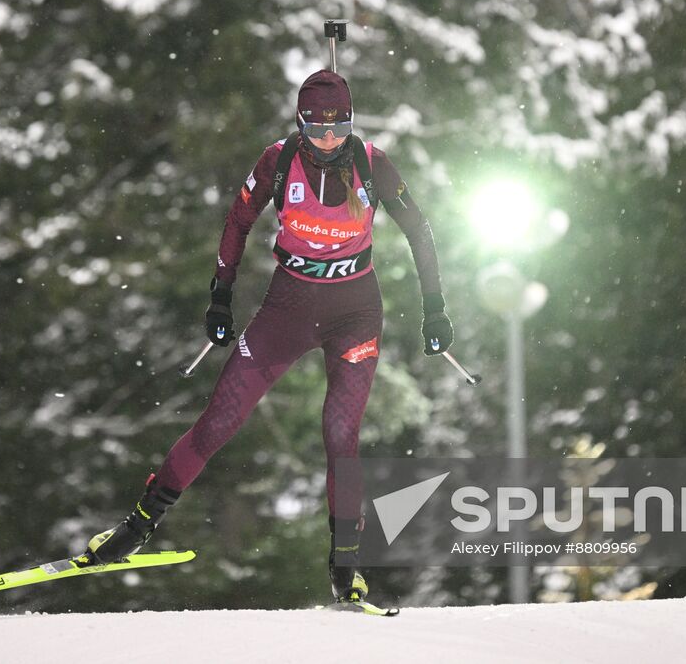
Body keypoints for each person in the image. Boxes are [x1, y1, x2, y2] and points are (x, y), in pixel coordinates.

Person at [83, 68, 454, 604]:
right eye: (317, 128)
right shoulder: (278, 160)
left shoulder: (372, 163)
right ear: (299, 124)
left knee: (339, 434)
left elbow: (419, 231)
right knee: (218, 421)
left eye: (339, 127)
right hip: (288, 308)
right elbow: (238, 222)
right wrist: (220, 295)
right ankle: (135, 529)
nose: (329, 139)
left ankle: (345, 566)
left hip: (355, 311)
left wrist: (435, 311)